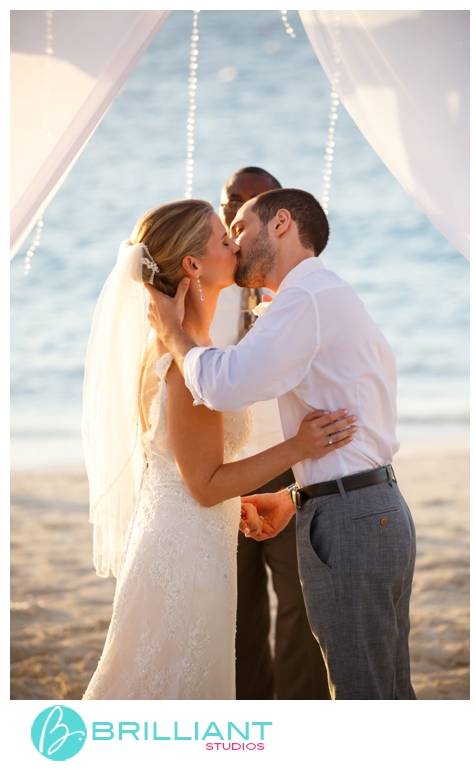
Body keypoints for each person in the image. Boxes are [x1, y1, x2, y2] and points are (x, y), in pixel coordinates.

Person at [146, 188, 416, 699]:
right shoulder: (319, 296)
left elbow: (224, 385)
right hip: (361, 508)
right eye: (225, 236)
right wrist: (298, 495)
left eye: (240, 229)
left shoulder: (306, 299)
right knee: (383, 691)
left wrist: (174, 334)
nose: (235, 243)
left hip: (355, 517)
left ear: (281, 224)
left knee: (366, 695)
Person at [82, 199, 356, 699]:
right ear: (192, 265)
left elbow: (190, 474)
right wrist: (299, 445)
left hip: (186, 539)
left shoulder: (189, 348)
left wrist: (238, 502)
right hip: (184, 557)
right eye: (223, 239)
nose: (236, 244)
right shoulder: (189, 364)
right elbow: (205, 487)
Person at [214, 167, 331, 701]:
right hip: (220, 467)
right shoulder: (204, 282)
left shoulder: (298, 288)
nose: (232, 222)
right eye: (227, 206)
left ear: (274, 220)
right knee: (235, 611)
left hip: (286, 460)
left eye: (245, 208)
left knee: (299, 603)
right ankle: (250, 718)